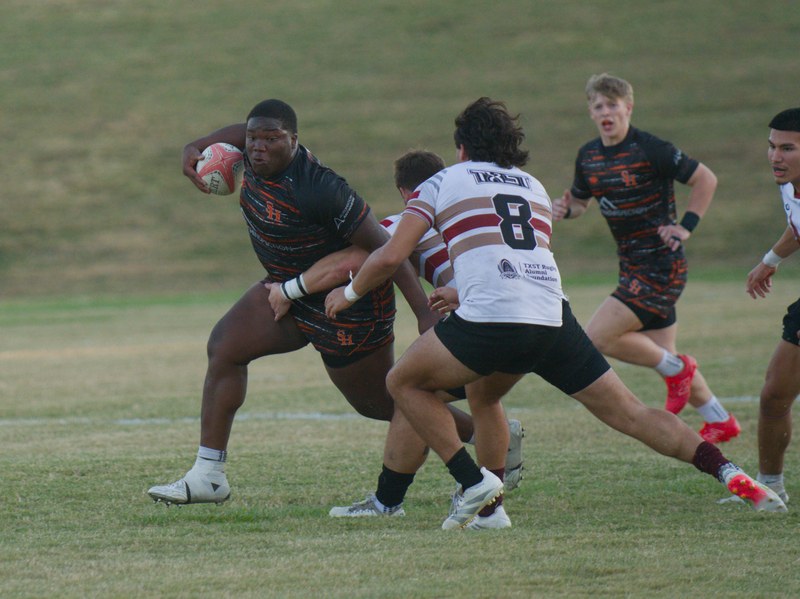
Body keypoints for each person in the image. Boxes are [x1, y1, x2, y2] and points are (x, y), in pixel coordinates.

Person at [325, 97, 786, 530]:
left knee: (402, 382)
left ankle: (475, 484)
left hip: (491, 317)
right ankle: (727, 471)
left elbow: (388, 257)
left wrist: (347, 295)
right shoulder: (534, 187)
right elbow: (524, 255)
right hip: (551, 316)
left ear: (461, 147)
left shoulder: (443, 181)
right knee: (619, 411)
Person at [147, 100, 477, 506]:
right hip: (284, 289)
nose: (258, 148)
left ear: (294, 142)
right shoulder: (251, 153)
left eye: (272, 140)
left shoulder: (320, 188)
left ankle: (486, 433)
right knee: (225, 347)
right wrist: (194, 146)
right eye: (253, 139)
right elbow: (240, 131)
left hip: (348, 304)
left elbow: (387, 250)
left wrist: (424, 314)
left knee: (381, 403)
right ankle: (208, 475)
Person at [269, 150, 523, 529]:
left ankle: (395, 500)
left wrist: (288, 290)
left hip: (479, 323)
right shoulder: (475, 207)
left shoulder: (411, 218)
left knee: (410, 390)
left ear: (406, 192)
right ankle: (490, 504)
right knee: (481, 397)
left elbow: (352, 260)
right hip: (532, 315)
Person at [552, 73, 740, 444]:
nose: (606, 112)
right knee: (661, 352)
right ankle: (719, 419)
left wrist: (685, 226)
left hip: (661, 266)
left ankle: (678, 369)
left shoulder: (650, 148)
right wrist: (566, 209)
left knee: (597, 338)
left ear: (628, 108)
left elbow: (706, 179)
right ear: (591, 112)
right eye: (599, 106)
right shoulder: (588, 156)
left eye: (613, 105)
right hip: (631, 267)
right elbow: (580, 202)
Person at [742, 107, 800, 505]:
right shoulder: (789, 185)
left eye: (788, 148)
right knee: (774, 395)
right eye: (772, 146)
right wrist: (770, 260)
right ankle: (771, 488)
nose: (775, 157)